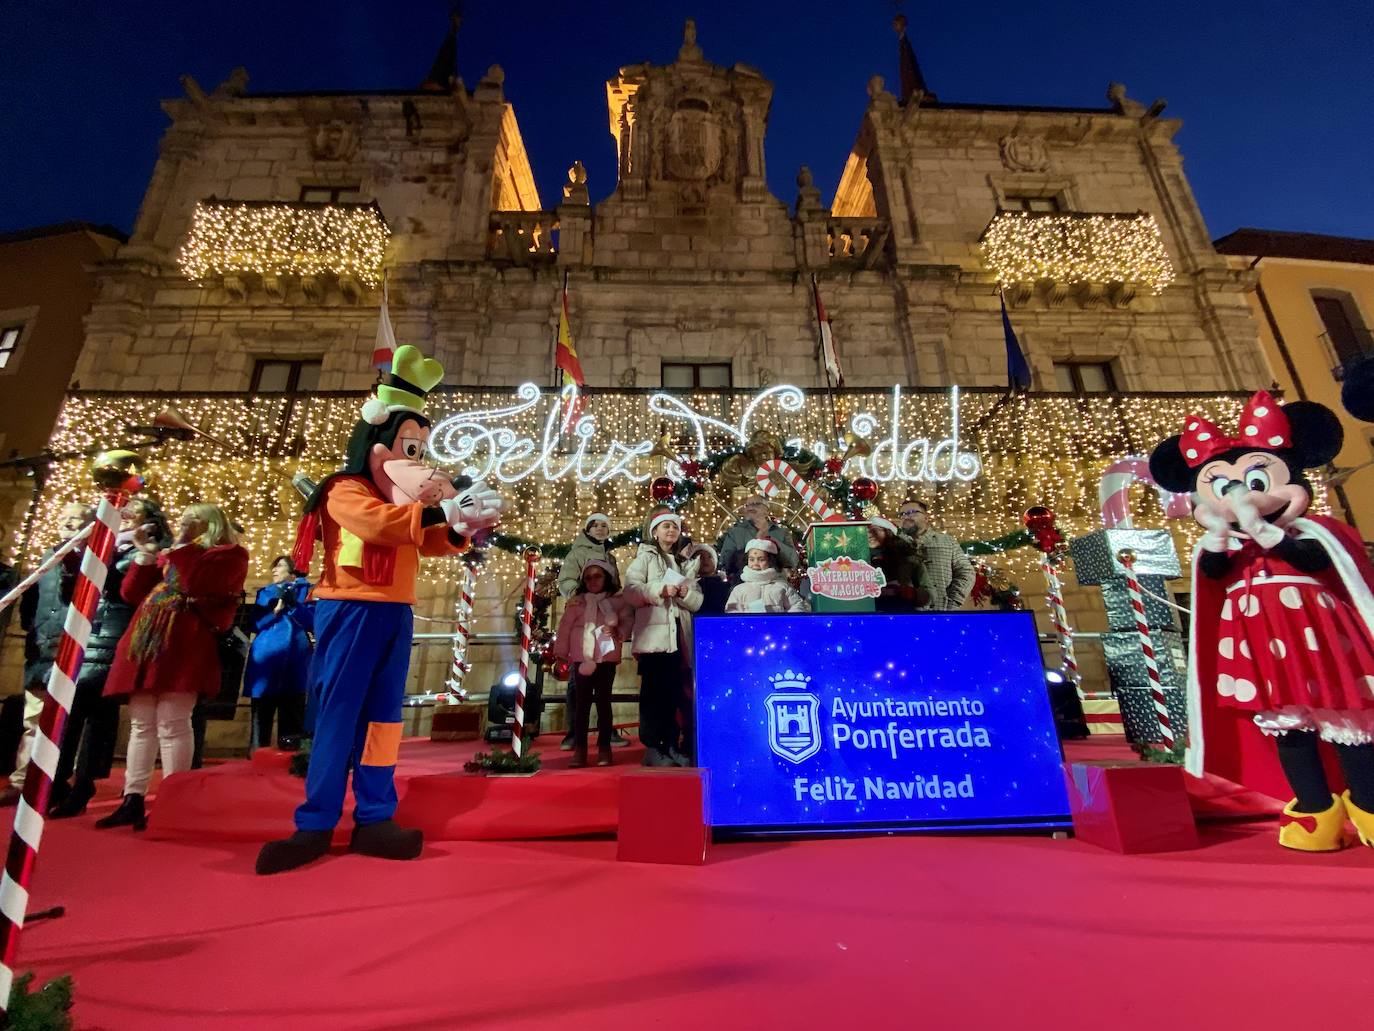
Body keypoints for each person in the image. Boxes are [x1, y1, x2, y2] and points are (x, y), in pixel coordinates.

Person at [256, 345, 506, 875]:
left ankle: (374, 814)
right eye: (405, 446)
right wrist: (441, 507)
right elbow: (378, 526)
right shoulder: (344, 490)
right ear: (374, 446)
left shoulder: (403, 504)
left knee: (384, 721)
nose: (413, 458)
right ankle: (316, 821)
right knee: (337, 717)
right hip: (349, 610)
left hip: (395, 612)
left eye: (418, 448)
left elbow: (422, 541)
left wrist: (458, 527)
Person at [1149, 389, 1374, 852]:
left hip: (1317, 636)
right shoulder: (1224, 543)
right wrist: (1218, 547)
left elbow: (1317, 559)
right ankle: (1315, 810)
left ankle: (1369, 806)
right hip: (1256, 642)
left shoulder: (1312, 530)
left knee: (1345, 716)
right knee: (1287, 726)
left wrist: (1268, 532)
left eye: (1255, 480)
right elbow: (1212, 576)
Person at [95, 503, 249, 832]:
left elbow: (194, 584)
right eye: (181, 520)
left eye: (190, 521)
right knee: (141, 725)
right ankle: (132, 797)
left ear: (210, 525)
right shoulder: (172, 555)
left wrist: (179, 549)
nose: (182, 525)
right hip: (148, 642)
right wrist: (146, 555)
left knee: (173, 722)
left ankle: (173, 797)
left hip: (185, 644)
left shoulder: (230, 555)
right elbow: (133, 593)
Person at [50, 497, 173, 819]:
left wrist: (135, 551)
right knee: (69, 710)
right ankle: (58, 778)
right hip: (84, 630)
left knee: (97, 710)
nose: (127, 518)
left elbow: (130, 591)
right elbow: (70, 592)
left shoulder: (147, 550)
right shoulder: (100, 545)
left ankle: (85, 780)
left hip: (117, 632)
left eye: (134, 514)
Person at [0, 504, 95, 808]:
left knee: (67, 723)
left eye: (75, 521)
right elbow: (31, 604)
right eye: (64, 520)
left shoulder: (94, 561)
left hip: (76, 650)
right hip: (42, 651)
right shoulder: (47, 558)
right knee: (33, 721)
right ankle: (21, 782)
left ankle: (55, 782)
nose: (67, 525)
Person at [624, 509, 701, 767]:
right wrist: (659, 589)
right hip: (654, 640)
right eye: (666, 526)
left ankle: (671, 744)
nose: (671, 531)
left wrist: (682, 594)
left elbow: (697, 600)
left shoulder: (682, 562)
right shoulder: (644, 559)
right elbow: (631, 591)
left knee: (674, 694)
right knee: (654, 694)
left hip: (679, 639)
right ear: (655, 531)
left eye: (675, 527)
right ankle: (653, 746)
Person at [555, 514, 630, 749]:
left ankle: (605, 734)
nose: (600, 529)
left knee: (604, 683)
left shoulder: (610, 556)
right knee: (579, 682)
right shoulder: (576, 554)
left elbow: (615, 586)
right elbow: (565, 580)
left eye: (604, 525)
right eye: (595, 525)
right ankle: (574, 733)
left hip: (604, 621)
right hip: (584, 620)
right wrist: (581, 597)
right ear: (587, 529)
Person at [551, 560, 627, 768]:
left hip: (605, 659)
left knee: (604, 703)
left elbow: (626, 621)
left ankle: (604, 748)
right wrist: (561, 655)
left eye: (598, 576)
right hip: (581, 659)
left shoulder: (616, 602)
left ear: (607, 578)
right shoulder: (577, 602)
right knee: (581, 704)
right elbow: (565, 628)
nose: (593, 581)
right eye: (588, 577)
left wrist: (618, 631)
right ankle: (580, 749)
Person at [243, 556, 314, 753]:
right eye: (273, 566)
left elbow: (312, 622)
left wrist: (294, 606)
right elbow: (255, 624)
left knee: (292, 717)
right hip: (266, 660)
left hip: (294, 661)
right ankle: (256, 757)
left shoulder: (306, 591)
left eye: (280, 566)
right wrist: (274, 611)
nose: (274, 570)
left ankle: (289, 759)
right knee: (261, 719)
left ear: (292, 571)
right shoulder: (264, 593)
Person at [896, 499, 975, 611]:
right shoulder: (893, 543)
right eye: (902, 514)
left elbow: (966, 572)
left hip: (940, 611)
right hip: (903, 614)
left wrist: (952, 602)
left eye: (912, 512)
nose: (906, 517)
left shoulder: (947, 542)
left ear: (926, 517)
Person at [717, 494, 798, 583]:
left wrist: (771, 541)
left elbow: (793, 561)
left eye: (755, 504)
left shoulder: (782, 532)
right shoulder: (735, 532)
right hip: (743, 586)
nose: (750, 508)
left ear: (766, 509)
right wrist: (754, 548)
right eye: (747, 505)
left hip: (775, 585)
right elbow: (725, 561)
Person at [726, 539, 809, 613]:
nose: (755, 564)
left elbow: (796, 606)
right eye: (751, 559)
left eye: (761, 559)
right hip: (749, 629)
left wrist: (785, 623)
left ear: (771, 561)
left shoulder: (782, 587)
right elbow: (731, 610)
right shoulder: (739, 590)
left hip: (777, 628)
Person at [868, 517, 931, 614]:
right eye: (866, 531)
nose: (869, 535)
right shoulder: (860, 561)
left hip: (902, 614)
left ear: (888, 532)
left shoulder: (909, 559)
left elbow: (930, 593)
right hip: (871, 616)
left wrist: (914, 593)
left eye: (875, 530)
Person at [684, 542, 729, 615]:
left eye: (709, 557)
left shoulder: (724, 586)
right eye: (701, 557)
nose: (705, 560)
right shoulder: (690, 586)